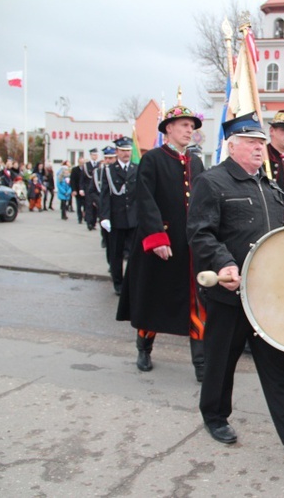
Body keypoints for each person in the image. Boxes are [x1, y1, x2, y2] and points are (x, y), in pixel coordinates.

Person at [187, 112, 284, 453]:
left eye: (260, 143)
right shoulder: (212, 182)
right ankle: (215, 416)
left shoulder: (268, 186)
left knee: (278, 361)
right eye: (251, 143)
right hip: (228, 291)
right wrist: (224, 262)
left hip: (266, 292)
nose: (259, 148)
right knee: (221, 361)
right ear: (232, 145)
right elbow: (200, 233)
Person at [117, 104, 207, 381]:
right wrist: (157, 237)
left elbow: (203, 200)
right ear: (169, 128)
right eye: (184, 125)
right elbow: (144, 200)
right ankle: (144, 347)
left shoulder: (196, 161)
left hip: (190, 246)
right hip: (160, 244)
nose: (189, 130)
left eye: (192, 126)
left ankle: (201, 363)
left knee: (196, 302)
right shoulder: (153, 159)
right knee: (152, 299)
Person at [99, 137, 138, 296]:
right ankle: (118, 283)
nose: (126, 154)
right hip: (116, 218)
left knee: (134, 254)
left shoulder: (137, 168)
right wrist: (104, 217)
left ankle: (131, 282)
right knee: (116, 254)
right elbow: (105, 195)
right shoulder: (109, 170)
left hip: (134, 219)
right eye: (123, 151)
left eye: (128, 151)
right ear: (117, 152)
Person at [83, 148, 101, 230]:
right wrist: (81, 189)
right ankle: (89, 223)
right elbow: (82, 178)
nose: (95, 156)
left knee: (96, 206)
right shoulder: (86, 165)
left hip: (96, 188)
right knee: (89, 206)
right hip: (88, 188)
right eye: (93, 155)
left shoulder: (99, 165)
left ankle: (93, 223)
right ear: (91, 155)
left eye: (96, 155)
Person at [71, 158, 86, 224]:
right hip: (77, 190)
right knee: (79, 206)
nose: (82, 164)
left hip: (85, 191)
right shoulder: (75, 170)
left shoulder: (86, 169)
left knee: (86, 205)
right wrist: (73, 190)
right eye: (81, 162)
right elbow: (72, 181)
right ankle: (79, 218)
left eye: (83, 162)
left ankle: (85, 216)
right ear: (78, 162)